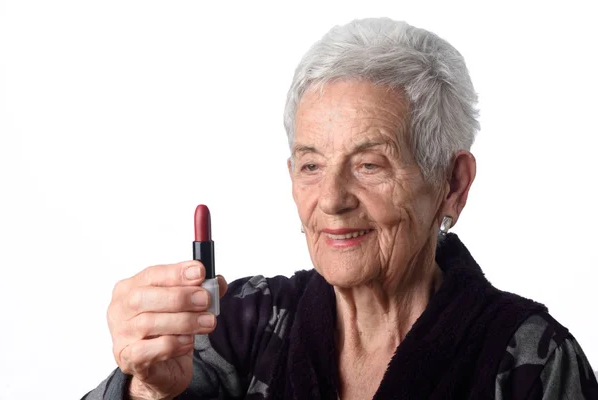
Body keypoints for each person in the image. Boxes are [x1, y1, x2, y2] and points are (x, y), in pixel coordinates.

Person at [83, 18, 598, 399]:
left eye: (370, 164)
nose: (331, 199)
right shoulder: (241, 323)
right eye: (311, 166)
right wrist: (148, 390)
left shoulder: (533, 359)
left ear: (452, 184)